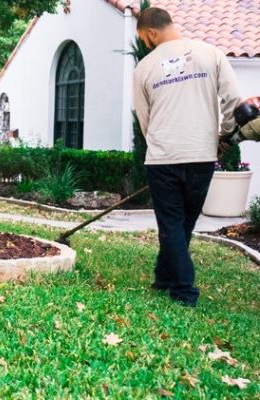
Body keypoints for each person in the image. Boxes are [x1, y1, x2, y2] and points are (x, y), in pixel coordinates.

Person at [133, 7, 241, 307]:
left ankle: (184, 291)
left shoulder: (144, 67)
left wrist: (158, 146)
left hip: (163, 158)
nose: (144, 44)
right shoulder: (211, 53)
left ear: (151, 33)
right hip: (201, 156)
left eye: (143, 38)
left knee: (172, 225)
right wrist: (225, 136)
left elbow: (145, 120)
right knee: (183, 223)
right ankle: (164, 276)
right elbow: (233, 100)